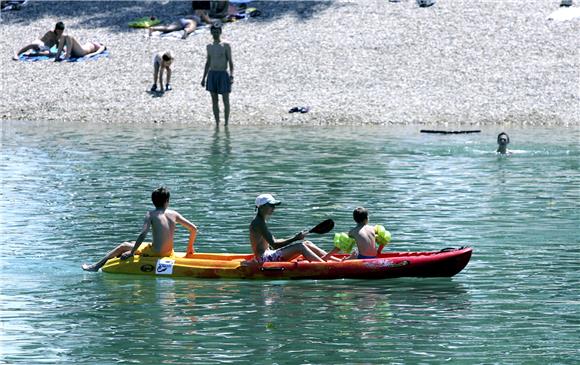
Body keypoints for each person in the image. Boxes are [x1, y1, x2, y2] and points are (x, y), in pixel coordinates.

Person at [81, 187, 198, 272]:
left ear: (153, 201)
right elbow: (193, 229)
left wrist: (132, 253)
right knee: (132, 243)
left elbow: (143, 234)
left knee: (124, 245)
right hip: (169, 252)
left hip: (155, 253)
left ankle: (96, 266)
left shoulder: (151, 214)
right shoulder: (174, 214)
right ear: (167, 201)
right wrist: (189, 248)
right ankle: (128, 251)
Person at [249, 194, 331, 263]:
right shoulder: (258, 222)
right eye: (271, 205)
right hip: (262, 259)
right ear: (261, 207)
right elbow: (274, 245)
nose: (274, 208)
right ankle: (325, 266)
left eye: (274, 205)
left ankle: (336, 259)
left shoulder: (261, 221)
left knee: (307, 243)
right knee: (300, 246)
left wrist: (295, 237)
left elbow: (274, 242)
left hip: (268, 254)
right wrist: (295, 238)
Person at [201, 22, 234, 125]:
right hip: (212, 74)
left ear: (220, 32)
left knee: (225, 100)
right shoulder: (209, 46)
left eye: (217, 31)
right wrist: (203, 78)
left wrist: (232, 75)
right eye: (213, 32)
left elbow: (230, 61)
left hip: (223, 74)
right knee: (214, 101)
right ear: (211, 33)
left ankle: (226, 123)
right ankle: (217, 122)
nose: (215, 33)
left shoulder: (226, 45)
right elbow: (208, 62)